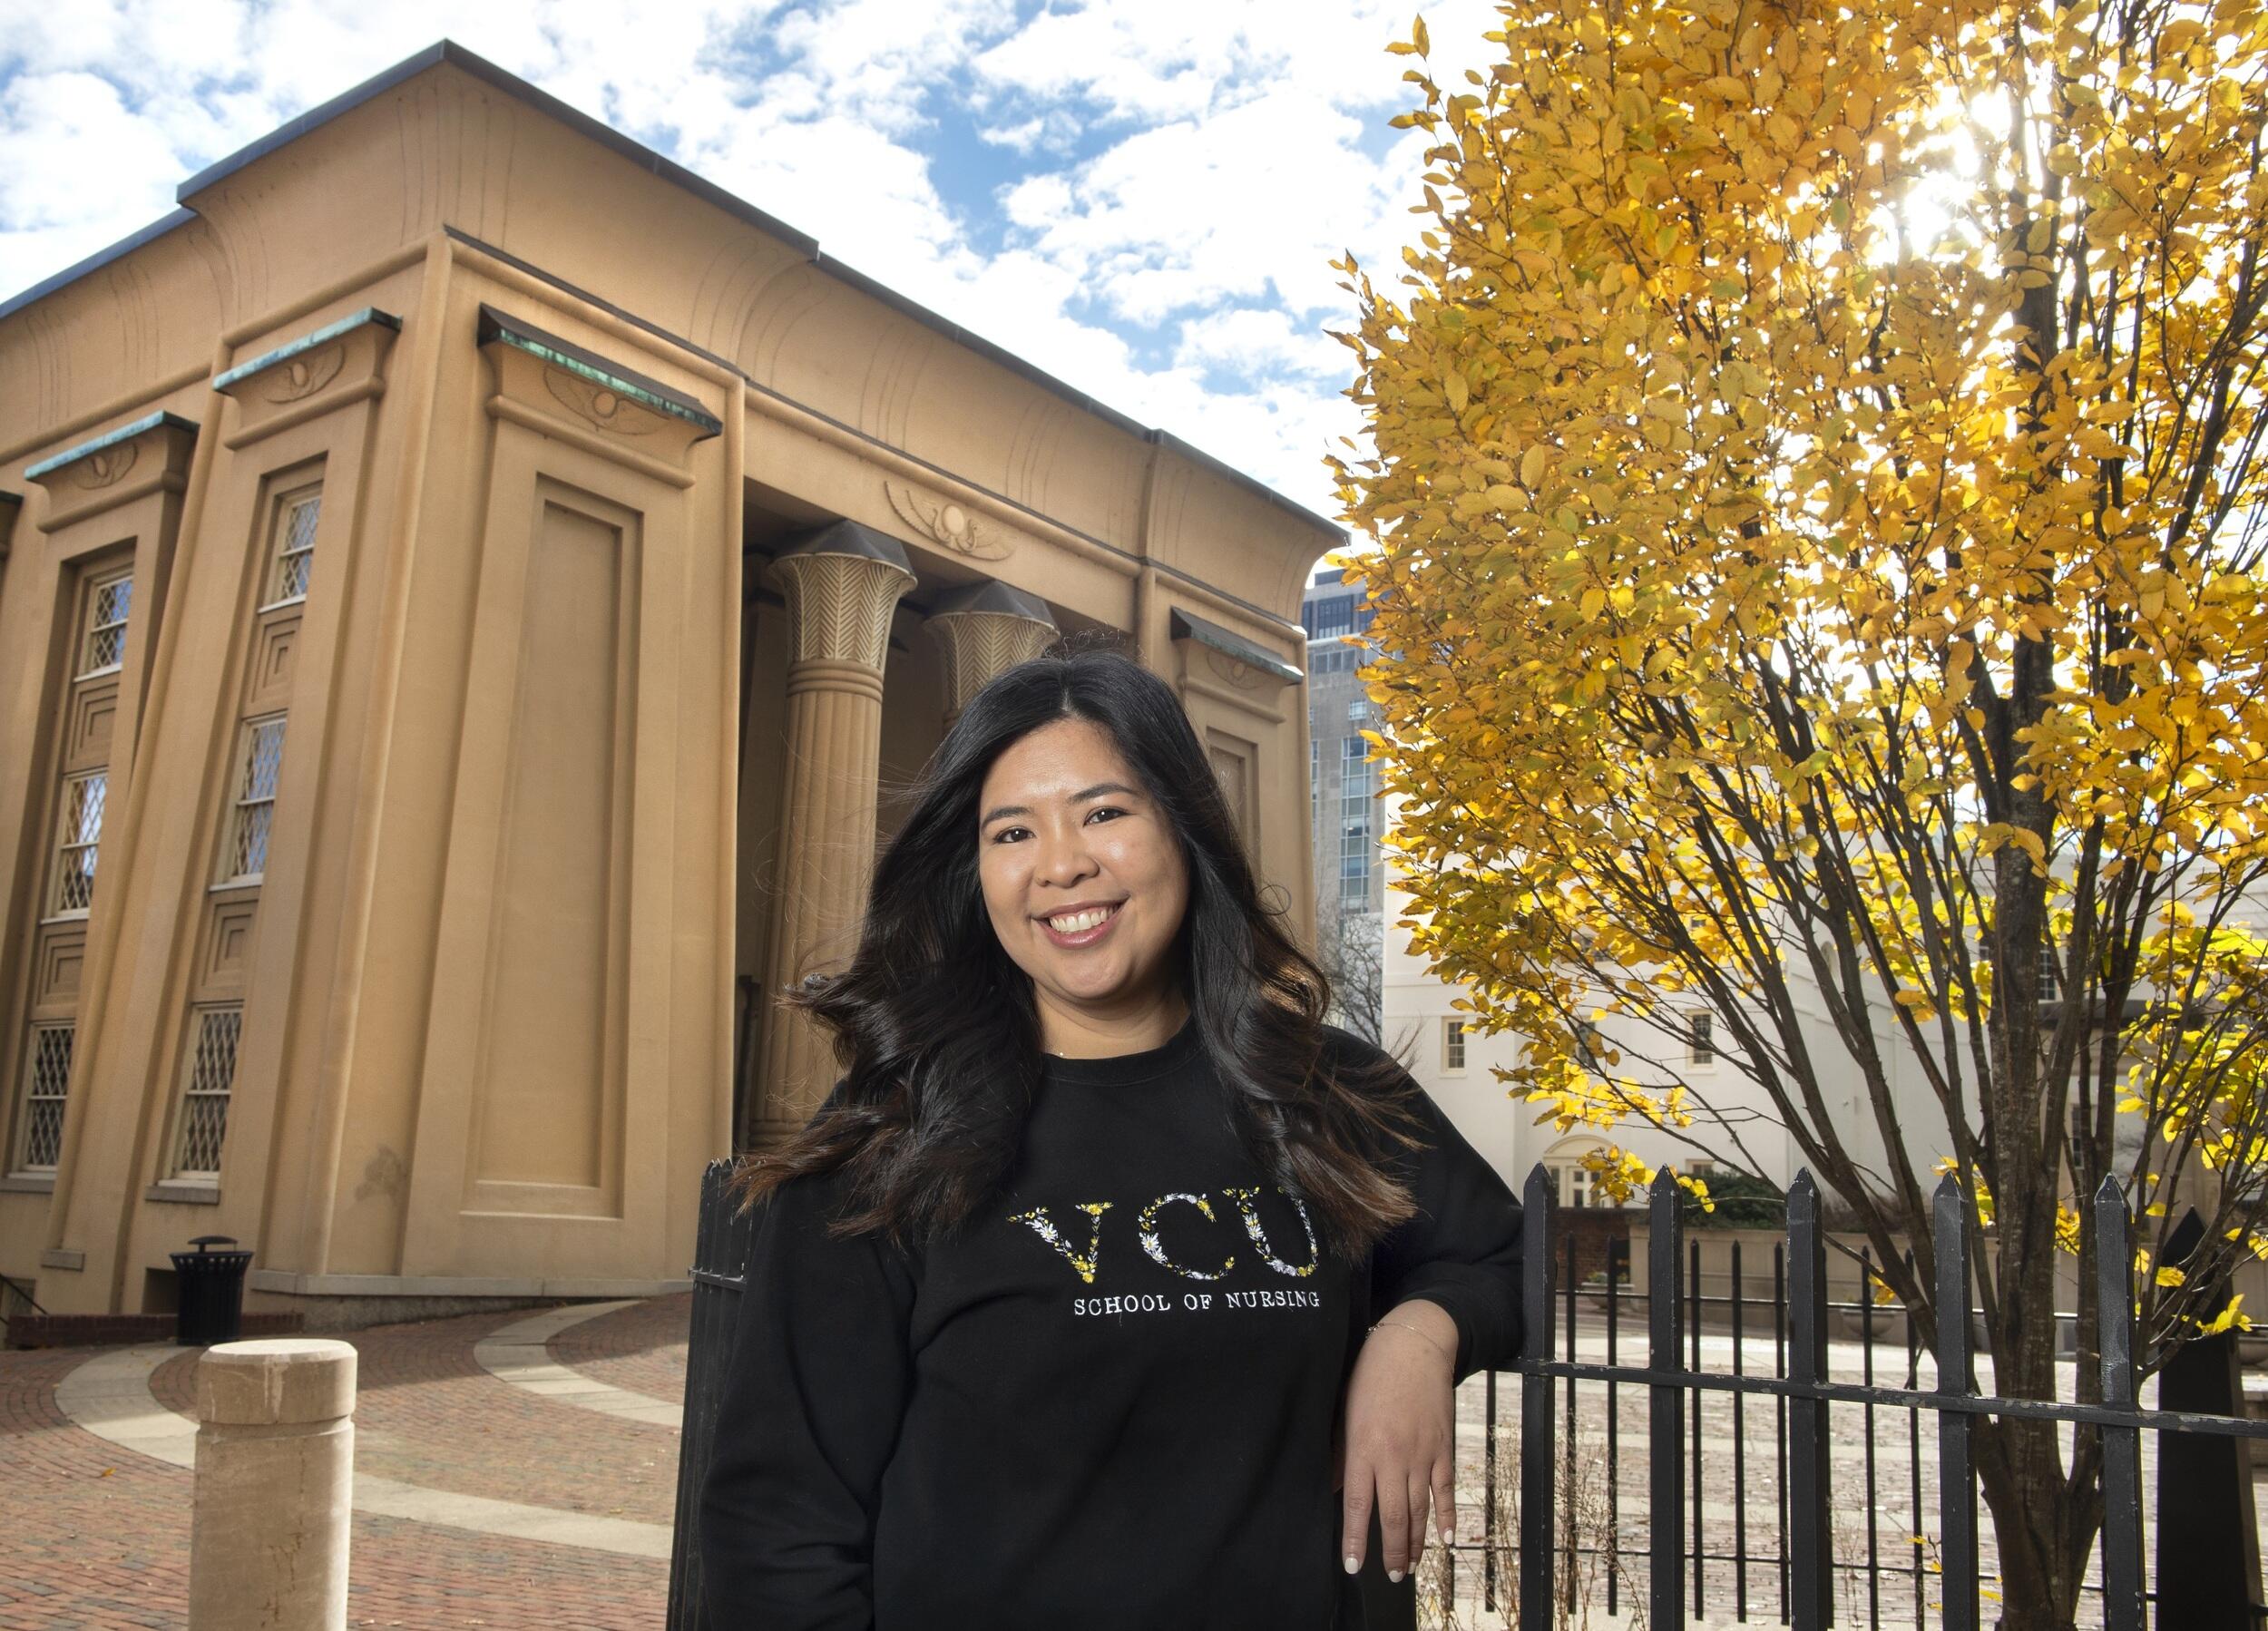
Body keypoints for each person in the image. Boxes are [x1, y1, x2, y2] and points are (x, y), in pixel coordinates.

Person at [699, 642, 1523, 1630]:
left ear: (1182, 827)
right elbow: (779, 1526)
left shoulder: (1321, 1088)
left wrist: (1419, 1332)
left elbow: (1517, 1258)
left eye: (1104, 811)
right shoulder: (892, 1136)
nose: (1061, 863)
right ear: (975, 871)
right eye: (1012, 831)